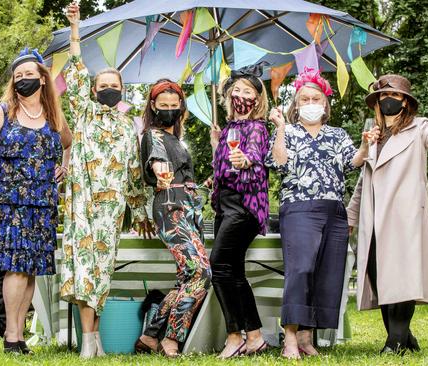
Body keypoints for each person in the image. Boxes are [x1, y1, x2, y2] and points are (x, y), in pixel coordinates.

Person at [0, 48, 72, 354]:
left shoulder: (53, 115)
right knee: (15, 267)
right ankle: (10, 334)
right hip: (10, 203)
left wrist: (65, 164)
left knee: (30, 269)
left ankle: (18, 336)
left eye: (29, 74)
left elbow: (70, 142)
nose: (23, 79)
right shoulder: (5, 110)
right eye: (18, 75)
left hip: (41, 203)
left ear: (43, 79)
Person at [60, 2, 154, 358]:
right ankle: (87, 341)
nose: (109, 89)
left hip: (112, 210)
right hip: (83, 203)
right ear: (94, 89)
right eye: (104, 85)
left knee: (101, 271)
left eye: (115, 85)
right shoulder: (84, 111)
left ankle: (96, 338)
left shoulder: (128, 127)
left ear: (122, 90)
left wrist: (141, 212)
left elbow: (132, 174)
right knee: (85, 268)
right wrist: (75, 29)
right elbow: (76, 70)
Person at [265, 68, 378, 359]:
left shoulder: (337, 135)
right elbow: (277, 163)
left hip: (334, 212)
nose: (311, 102)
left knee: (325, 273)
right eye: (305, 98)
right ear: (297, 104)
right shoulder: (287, 132)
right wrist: (279, 129)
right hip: (299, 208)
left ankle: (306, 337)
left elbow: (352, 162)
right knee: (300, 269)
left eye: (316, 98)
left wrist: (365, 144)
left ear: (325, 104)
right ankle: (289, 337)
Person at [346, 75, 428, 354]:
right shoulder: (373, 133)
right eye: (382, 96)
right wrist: (351, 216)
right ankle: (405, 338)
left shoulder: (421, 127)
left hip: (405, 217)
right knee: (380, 278)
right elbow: (364, 179)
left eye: (393, 95)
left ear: (405, 101)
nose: (387, 100)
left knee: (402, 279)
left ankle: (394, 343)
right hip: (374, 220)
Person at [134, 80, 212, 358]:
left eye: (173, 105)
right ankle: (171, 339)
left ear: (181, 106)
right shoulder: (153, 135)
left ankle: (149, 335)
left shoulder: (176, 139)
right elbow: (156, 160)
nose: (168, 109)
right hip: (170, 206)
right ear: (153, 106)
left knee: (187, 277)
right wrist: (158, 169)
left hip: (190, 205)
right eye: (163, 105)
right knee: (201, 272)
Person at [209, 63, 271, 358]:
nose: (241, 95)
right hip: (225, 206)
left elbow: (256, 162)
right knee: (233, 272)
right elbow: (223, 173)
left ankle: (235, 336)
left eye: (248, 91)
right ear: (229, 96)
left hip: (244, 208)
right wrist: (216, 152)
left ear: (258, 99)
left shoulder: (257, 128)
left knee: (218, 266)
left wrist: (245, 161)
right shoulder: (227, 130)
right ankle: (255, 336)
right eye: (237, 90)